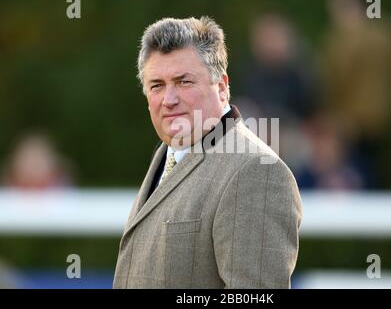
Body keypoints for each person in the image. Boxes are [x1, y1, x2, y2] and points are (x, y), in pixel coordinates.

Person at [113, 16, 302, 289]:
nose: (169, 99)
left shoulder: (257, 171)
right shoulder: (169, 153)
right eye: (157, 85)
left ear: (222, 87)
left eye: (184, 82)